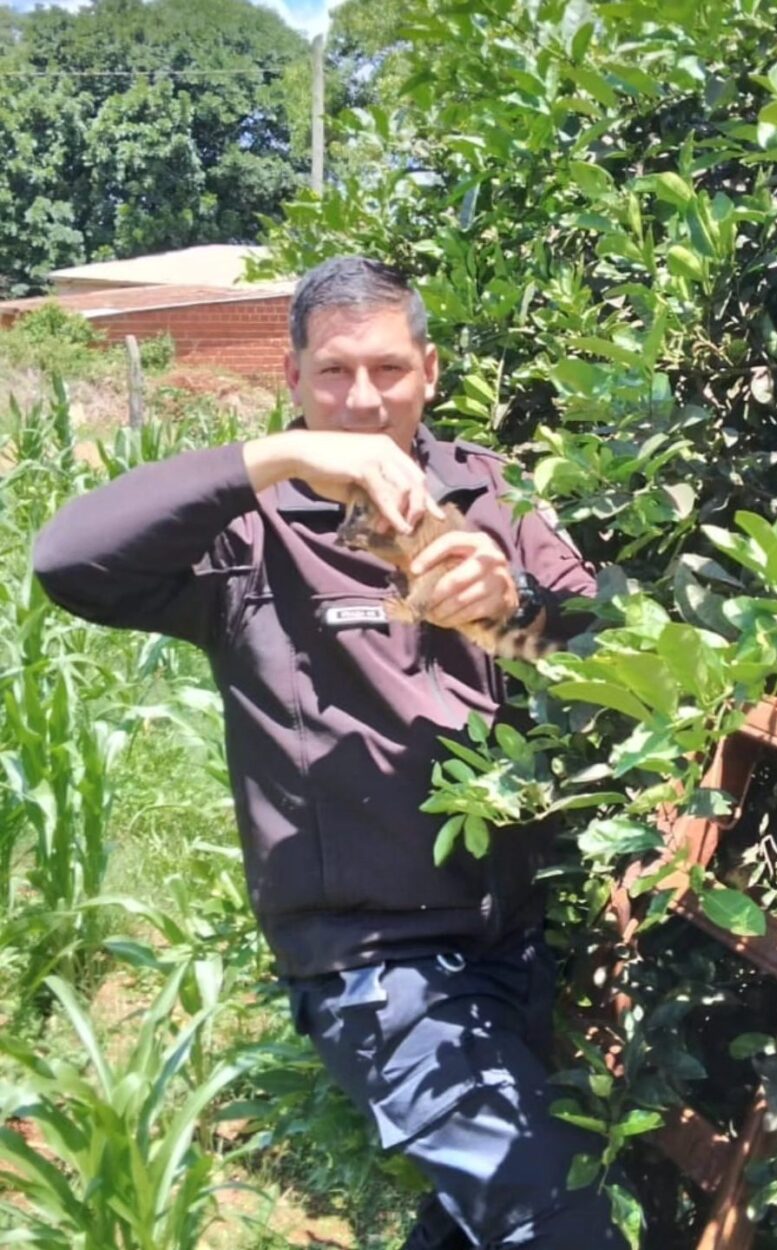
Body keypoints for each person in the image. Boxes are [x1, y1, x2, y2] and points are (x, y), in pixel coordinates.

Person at [33, 256, 627, 1250]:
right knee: (559, 1225)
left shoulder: (489, 492)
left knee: (473, 1220)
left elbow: (619, 655)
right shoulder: (247, 533)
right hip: (377, 967)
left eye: (388, 370)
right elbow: (66, 560)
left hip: (512, 941)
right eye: (332, 373)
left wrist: (518, 608)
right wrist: (263, 463)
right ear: (293, 377)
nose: (361, 400)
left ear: (429, 370)